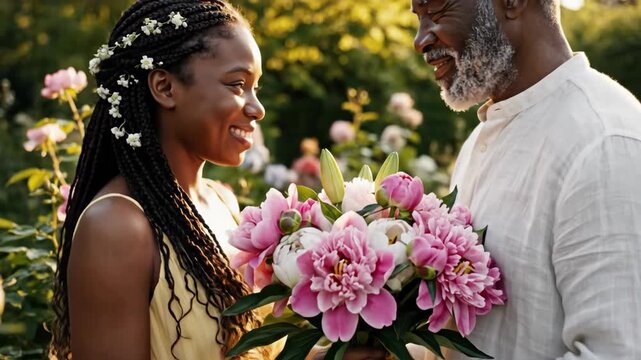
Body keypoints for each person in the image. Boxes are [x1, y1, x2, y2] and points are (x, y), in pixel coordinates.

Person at [50, 1, 387, 359]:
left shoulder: (221, 202)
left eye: (256, 87)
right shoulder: (117, 226)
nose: (257, 108)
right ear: (165, 87)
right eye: (237, 84)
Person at [411, 0, 641, 359]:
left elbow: (616, 351)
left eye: (436, 10)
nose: (420, 39)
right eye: (418, 17)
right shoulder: (480, 140)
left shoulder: (605, 143)